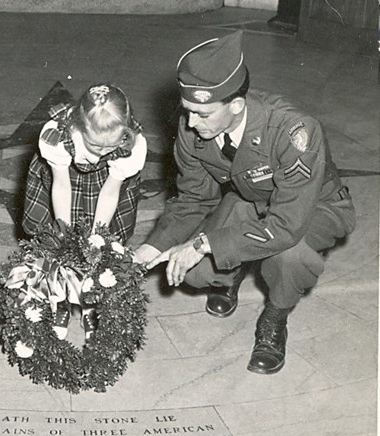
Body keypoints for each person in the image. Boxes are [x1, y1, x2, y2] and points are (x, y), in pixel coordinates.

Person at [134, 31, 355, 375]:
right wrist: (152, 247)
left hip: (313, 208)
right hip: (252, 200)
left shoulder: (294, 131)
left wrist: (206, 242)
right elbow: (193, 197)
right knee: (192, 271)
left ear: (236, 106)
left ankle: (275, 318)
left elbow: (286, 225)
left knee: (289, 256)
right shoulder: (193, 125)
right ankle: (230, 276)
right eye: (188, 110)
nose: (191, 123)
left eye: (203, 114)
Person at [22, 83, 148, 339]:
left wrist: (96, 239)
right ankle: (60, 303)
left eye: (109, 147)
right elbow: (61, 186)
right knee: (54, 249)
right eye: (94, 145)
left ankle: (91, 303)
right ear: (79, 127)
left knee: (102, 251)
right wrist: (64, 235)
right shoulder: (57, 136)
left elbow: (110, 192)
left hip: (105, 189)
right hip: (63, 182)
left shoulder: (132, 145)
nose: (101, 153)